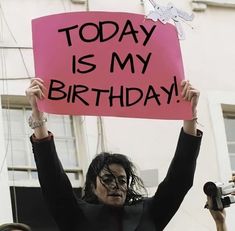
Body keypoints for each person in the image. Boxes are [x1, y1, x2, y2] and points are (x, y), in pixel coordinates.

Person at [25, 78, 202, 231]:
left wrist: (190, 115)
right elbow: (53, 180)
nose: (116, 185)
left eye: (122, 180)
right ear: (93, 186)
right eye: (107, 179)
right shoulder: (75, 215)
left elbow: (179, 180)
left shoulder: (148, 212)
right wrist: (38, 115)